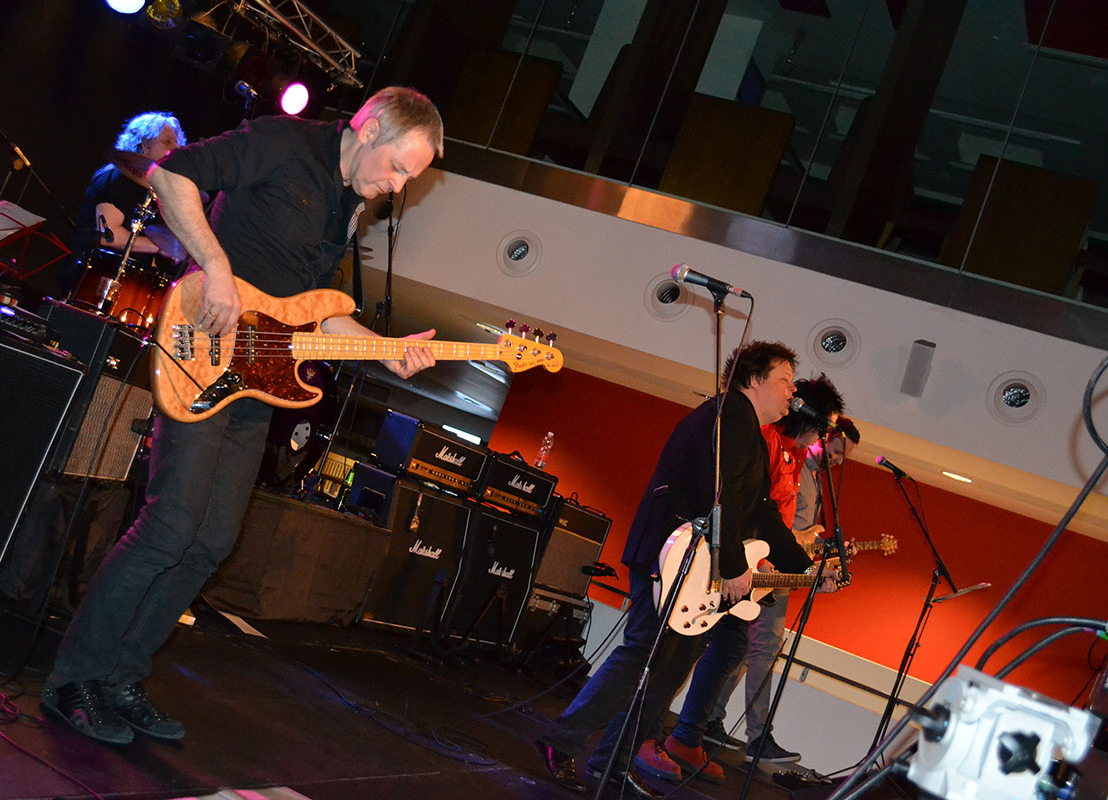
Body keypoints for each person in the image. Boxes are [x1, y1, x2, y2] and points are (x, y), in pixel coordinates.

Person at [41, 87, 444, 745]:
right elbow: (170, 174)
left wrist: (386, 349)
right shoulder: (283, 143)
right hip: (201, 354)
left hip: (255, 387)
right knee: (169, 527)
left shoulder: (346, 205)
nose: (397, 187)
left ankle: (120, 678)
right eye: (398, 167)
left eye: (410, 179)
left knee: (210, 542)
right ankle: (73, 680)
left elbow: (313, 313)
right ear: (369, 128)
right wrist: (217, 266)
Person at [534, 341, 825, 797]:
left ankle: (615, 761)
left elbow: (761, 511)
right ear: (753, 379)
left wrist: (805, 568)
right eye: (785, 380)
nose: (793, 391)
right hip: (670, 557)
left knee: (669, 671)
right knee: (642, 655)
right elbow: (720, 496)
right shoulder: (729, 416)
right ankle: (562, 739)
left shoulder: (751, 432)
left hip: (691, 566)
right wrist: (732, 565)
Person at [661, 376, 848, 771]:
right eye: (825, 426)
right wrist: (751, 561)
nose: (825, 437)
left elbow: (771, 516)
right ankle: (661, 738)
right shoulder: (765, 440)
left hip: (753, 562)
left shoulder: (793, 456)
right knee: (691, 648)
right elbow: (742, 507)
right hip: (732, 562)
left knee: (728, 647)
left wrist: (805, 568)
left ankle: (687, 737)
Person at [59, 111, 187, 300]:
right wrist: (160, 247)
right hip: (91, 280)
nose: (175, 148)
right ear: (145, 144)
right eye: (168, 142)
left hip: (130, 286)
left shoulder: (155, 190)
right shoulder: (116, 177)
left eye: (177, 143)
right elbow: (109, 237)